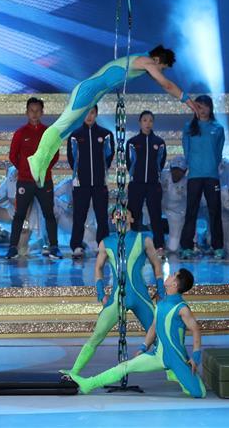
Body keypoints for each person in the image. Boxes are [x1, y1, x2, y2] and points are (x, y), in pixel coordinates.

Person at [26, 45, 198, 187]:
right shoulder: (146, 61)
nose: (160, 72)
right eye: (162, 68)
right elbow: (166, 84)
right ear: (157, 60)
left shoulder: (141, 61)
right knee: (61, 125)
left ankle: (43, 163)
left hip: (93, 95)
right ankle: (36, 158)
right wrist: (188, 101)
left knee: (66, 131)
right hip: (87, 91)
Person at [69, 268, 205, 398]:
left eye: (173, 275)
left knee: (199, 393)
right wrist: (144, 347)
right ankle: (88, 384)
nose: (169, 275)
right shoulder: (161, 304)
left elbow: (196, 330)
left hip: (177, 359)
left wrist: (196, 356)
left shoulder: (182, 308)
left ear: (174, 284)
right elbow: (153, 327)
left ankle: (177, 374)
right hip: (158, 356)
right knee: (124, 367)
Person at [61, 210, 164, 376]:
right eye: (117, 214)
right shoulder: (106, 243)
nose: (121, 215)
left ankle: (175, 374)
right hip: (117, 298)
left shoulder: (143, 239)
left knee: (160, 335)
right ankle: (74, 372)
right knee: (97, 335)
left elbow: (156, 265)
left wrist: (161, 290)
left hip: (140, 296)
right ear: (113, 220)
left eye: (125, 213)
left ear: (132, 218)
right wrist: (101, 294)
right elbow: (98, 268)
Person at [5, 97, 61, 259]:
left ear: (42, 112)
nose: (34, 114)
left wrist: (43, 171)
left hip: (44, 181)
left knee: (49, 214)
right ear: (27, 112)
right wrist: (24, 170)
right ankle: (13, 247)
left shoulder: (49, 132)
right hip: (25, 181)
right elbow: (13, 156)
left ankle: (54, 247)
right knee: (19, 215)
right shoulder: (20, 133)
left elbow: (55, 155)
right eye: (31, 110)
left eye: (37, 111)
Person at [179, 96, 226, 259]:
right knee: (191, 211)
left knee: (215, 211)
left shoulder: (218, 128)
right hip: (194, 175)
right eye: (199, 106)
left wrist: (212, 164)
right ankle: (186, 246)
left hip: (212, 175)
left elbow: (218, 152)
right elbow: (186, 150)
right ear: (194, 108)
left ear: (211, 108)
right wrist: (194, 164)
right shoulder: (188, 127)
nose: (203, 109)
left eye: (206, 106)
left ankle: (217, 246)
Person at [66, 105, 114, 259]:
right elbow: (72, 158)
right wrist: (80, 174)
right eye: (86, 113)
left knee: (102, 216)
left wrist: (101, 172)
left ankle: (103, 246)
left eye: (92, 113)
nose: (89, 116)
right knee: (79, 216)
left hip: (100, 183)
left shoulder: (106, 135)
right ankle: (76, 246)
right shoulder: (75, 135)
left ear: (96, 114)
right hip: (81, 183)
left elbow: (109, 155)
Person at [127, 110, 167, 252]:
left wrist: (154, 175)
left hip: (153, 184)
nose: (147, 123)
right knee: (134, 215)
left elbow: (161, 163)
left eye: (150, 120)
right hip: (136, 184)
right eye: (145, 120)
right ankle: (131, 243)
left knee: (155, 215)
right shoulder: (132, 142)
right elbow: (129, 162)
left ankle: (159, 245)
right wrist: (135, 176)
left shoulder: (159, 143)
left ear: (153, 123)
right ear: (140, 122)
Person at [162, 157, 188, 253]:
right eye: (174, 169)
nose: (176, 173)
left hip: (177, 213)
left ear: (184, 171)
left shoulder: (187, 182)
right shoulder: (163, 175)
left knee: (173, 248)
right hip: (162, 208)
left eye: (179, 171)